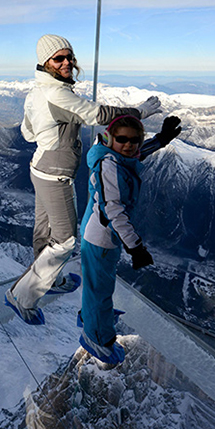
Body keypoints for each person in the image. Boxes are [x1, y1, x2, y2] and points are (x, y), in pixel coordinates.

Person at [4, 34, 163, 325]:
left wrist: (50, 132)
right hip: (55, 174)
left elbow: (28, 133)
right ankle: (23, 296)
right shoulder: (58, 95)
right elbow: (98, 114)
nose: (66, 62)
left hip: (39, 167)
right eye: (59, 58)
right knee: (65, 241)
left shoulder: (36, 92)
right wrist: (139, 113)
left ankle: (49, 279)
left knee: (46, 233)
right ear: (45, 62)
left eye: (69, 57)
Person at [78, 114, 181, 365]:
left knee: (99, 285)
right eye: (122, 139)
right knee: (99, 290)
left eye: (135, 139)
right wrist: (136, 247)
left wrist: (161, 140)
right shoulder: (108, 165)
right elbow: (112, 209)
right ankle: (98, 339)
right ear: (110, 138)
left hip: (104, 235)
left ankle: (92, 316)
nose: (129, 144)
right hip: (101, 237)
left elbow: (135, 154)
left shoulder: (114, 155)